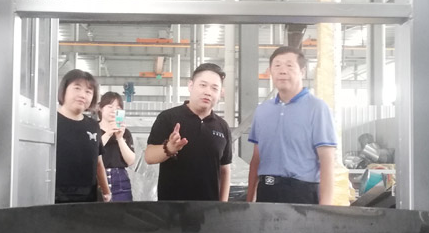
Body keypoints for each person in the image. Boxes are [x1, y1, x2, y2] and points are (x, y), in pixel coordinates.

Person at [247, 46, 337, 205]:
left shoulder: (317, 108)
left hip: (302, 193)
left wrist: (325, 209)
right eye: (277, 66)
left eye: (289, 65)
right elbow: (256, 159)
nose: (282, 71)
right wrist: (249, 201)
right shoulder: (262, 110)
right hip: (266, 191)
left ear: (302, 72)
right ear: (270, 72)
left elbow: (327, 159)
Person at [145, 63, 232, 201]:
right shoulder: (168, 118)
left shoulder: (222, 127)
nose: (208, 92)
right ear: (191, 86)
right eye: (203, 85)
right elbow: (149, 157)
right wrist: (169, 148)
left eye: (214, 88)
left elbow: (225, 170)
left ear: (221, 93)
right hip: (171, 207)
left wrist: (222, 206)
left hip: (209, 209)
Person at [55, 69, 111, 203]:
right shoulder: (50, 121)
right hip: (55, 198)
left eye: (88, 91)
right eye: (77, 88)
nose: (82, 95)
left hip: (88, 200)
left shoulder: (93, 126)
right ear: (64, 90)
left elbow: (98, 162)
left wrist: (106, 191)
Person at [98, 91, 136, 201]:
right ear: (100, 108)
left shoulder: (125, 132)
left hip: (120, 180)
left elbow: (130, 161)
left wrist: (120, 138)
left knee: (123, 211)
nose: (114, 110)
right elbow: (91, 151)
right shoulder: (93, 128)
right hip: (97, 178)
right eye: (110, 106)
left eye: (118, 107)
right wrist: (108, 133)